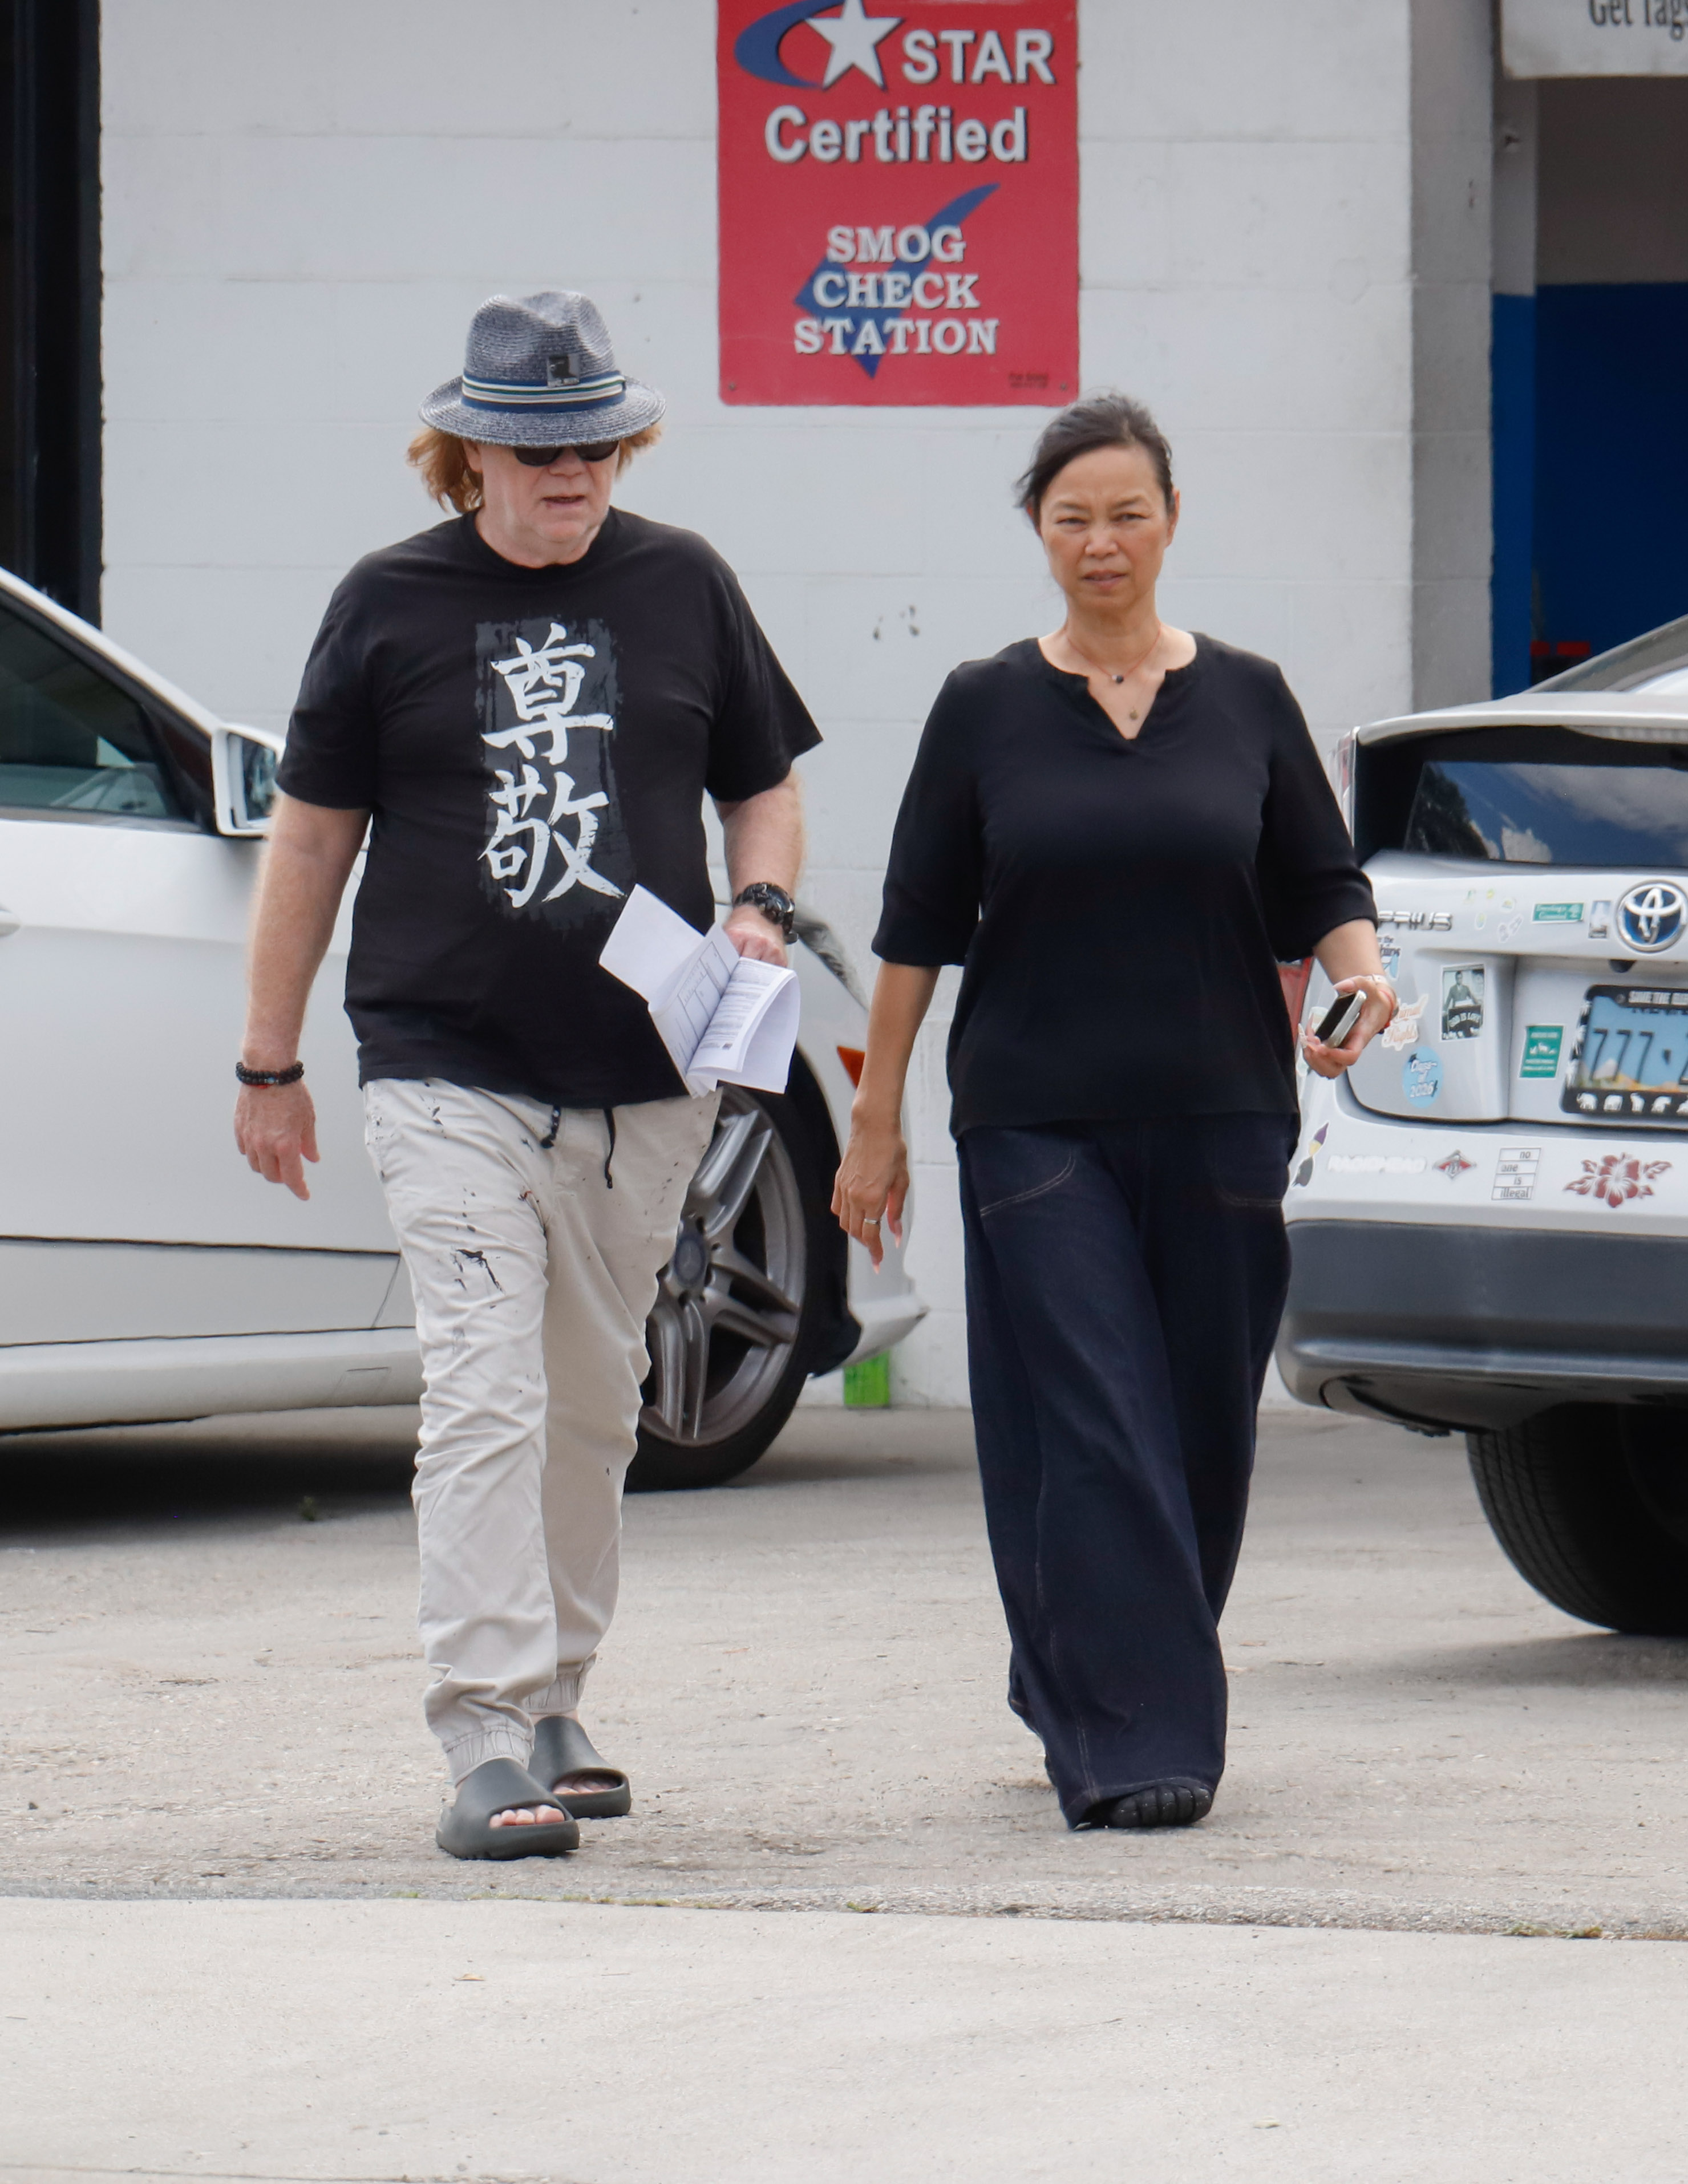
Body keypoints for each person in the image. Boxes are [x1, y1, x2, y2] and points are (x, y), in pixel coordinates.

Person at [234, 292, 819, 1859]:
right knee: (482, 1388)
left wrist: (756, 908)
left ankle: (561, 1691)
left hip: (645, 1073)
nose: (573, 475)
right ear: (469, 452)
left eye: (596, 445)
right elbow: (310, 839)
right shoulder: (387, 602)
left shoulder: (686, 582)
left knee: (587, 1400)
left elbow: (763, 789)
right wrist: (269, 1054)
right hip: (445, 1064)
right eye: (539, 448)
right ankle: (485, 1734)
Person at [832, 393, 1394, 1832]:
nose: (1101, 541)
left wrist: (1360, 983)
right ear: (1039, 529)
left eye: (1126, 513)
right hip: (1032, 1122)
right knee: (1095, 1417)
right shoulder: (982, 705)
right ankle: (1138, 1741)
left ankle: (1080, 1665)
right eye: (1072, 516)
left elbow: (1322, 887)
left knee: (1200, 1426)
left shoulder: (1252, 697)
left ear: (1170, 521)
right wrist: (876, 1124)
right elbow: (913, 931)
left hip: (1220, 1116)